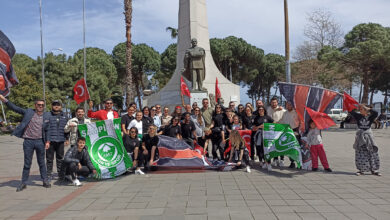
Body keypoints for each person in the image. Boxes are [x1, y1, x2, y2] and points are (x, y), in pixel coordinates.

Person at [0, 95, 51, 191]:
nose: (40, 106)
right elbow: (14, 108)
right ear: (35, 105)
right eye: (39, 105)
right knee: (27, 163)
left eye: (42, 105)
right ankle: (23, 183)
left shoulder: (46, 115)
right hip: (28, 141)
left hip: (40, 141)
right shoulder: (28, 112)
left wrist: (48, 141)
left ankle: (45, 180)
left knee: (41, 163)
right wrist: (3, 99)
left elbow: (48, 130)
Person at [350, 104, 381, 176]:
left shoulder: (371, 117)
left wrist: (368, 109)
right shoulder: (358, 116)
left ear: (366, 110)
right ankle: (361, 170)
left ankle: (374, 170)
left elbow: (376, 113)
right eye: (360, 109)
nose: (360, 110)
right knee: (360, 154)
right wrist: (354, 105)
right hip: (360, 136)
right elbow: (350, 111)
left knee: (372, 153)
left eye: (362, 109)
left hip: (369, 137)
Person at [46, 100, 68, 182]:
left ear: (61, 106)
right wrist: (46, 140)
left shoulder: (65, 116)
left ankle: (60, 174)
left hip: (61, 141)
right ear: (52, 106)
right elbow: (45, 128)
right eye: (54, 105)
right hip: (50, 141)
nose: (56, 106)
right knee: (49, 159)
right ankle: (48, 174)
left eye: (58, 105)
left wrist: (67, 138)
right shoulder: (47, 115)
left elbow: (67, 129)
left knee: (60, 158)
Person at [279, 101, 300, 168]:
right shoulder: (285, 113)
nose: (288, 106)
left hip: (296, 131)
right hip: (288, 131)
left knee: (297, 148)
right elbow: (282, 121)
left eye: (290, 105)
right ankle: (292, 162)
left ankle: (300, 163)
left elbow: (300, 122)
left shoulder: (297, 112)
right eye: (287, 105)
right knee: (290, 148)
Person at [252, 106, 274, 171]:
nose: (261, 111)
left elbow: (274, 124)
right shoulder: (256, 118)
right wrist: (259, 127)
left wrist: (266, 126)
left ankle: (269, 163)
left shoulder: (267, 117)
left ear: (264, 110)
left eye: (262, 109)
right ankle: (264, 162)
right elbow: (254, 127)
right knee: (260, 149)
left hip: (267, 135)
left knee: (267, 149)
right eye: (259, 109)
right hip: (259, 135)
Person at [266, 97, 286, 167]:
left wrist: (278, 123)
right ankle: (275, 159)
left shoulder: (282, 110)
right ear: (270, 103)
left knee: (281, 144)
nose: (274, 104)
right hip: (271, 130)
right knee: (273, 145)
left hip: (280, 129)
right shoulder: (268, 110)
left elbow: (284, 118)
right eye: (272, 102)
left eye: (275, 102)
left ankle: (282, 159)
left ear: (277, 103)